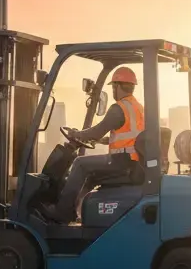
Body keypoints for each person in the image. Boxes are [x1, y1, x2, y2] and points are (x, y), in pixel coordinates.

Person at [40, 66, 145, 223]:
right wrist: (100, 140)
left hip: (122, 162)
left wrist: (76, 134)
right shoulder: (137, 107)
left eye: (113, 87)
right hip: (132, 161)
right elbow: (129, 135)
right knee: (89, 175)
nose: (113, 91)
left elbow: (96, 132)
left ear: (117, 86)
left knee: (80, 163)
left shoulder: (119, 108)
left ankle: (61, 212)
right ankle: (76, 211)